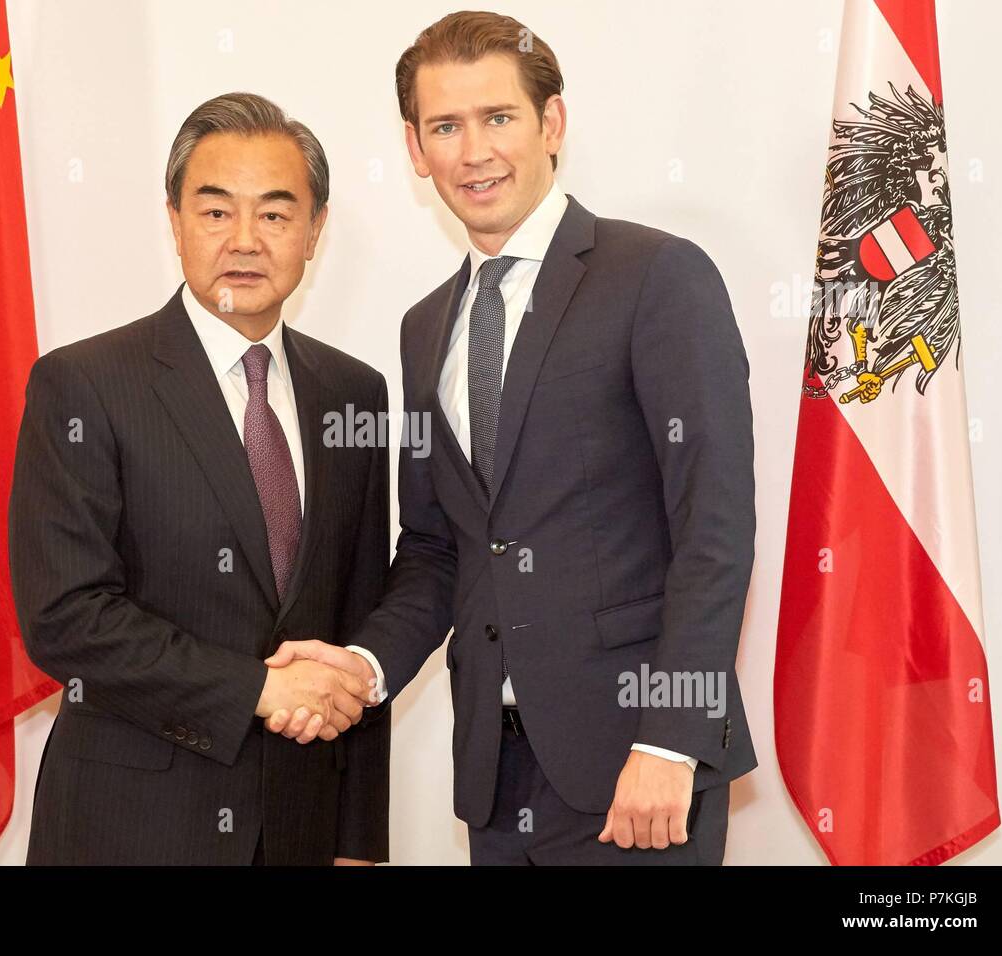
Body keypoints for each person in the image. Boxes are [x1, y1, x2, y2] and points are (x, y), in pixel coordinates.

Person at [267, 10, 757, 865]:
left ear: (551, 123)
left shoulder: (657, 276)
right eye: (445, 127)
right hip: (494, 780)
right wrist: (364, 667)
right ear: (415, 149)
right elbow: (436, 548)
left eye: (498, 118)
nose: (474, 151)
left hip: (636, 768)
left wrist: (674, 741)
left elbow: (713, 529)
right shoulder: (425, 329)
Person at [10, 92, 391, 865]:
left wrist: (357, 842)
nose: (245, 240)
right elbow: (65, 616)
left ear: (315, 230)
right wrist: (255, 688)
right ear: (175, 221)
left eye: (276, 215)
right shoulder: (85, 384)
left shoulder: (355, 394)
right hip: (131, 826)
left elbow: (358, 621)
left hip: (301, 828)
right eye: (216, 212)